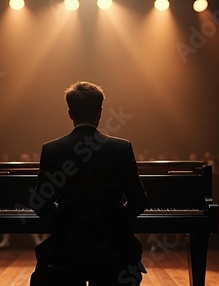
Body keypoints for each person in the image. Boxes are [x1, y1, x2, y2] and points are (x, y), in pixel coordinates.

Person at [30, 81, 148, 286]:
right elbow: (139, 201)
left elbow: (41, 204)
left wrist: (65, 219)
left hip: (66, 249)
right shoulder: (122, 149)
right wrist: (115, 220)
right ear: (100, 112)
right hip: (113, 250)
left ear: (70, 113)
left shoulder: (52, 150)